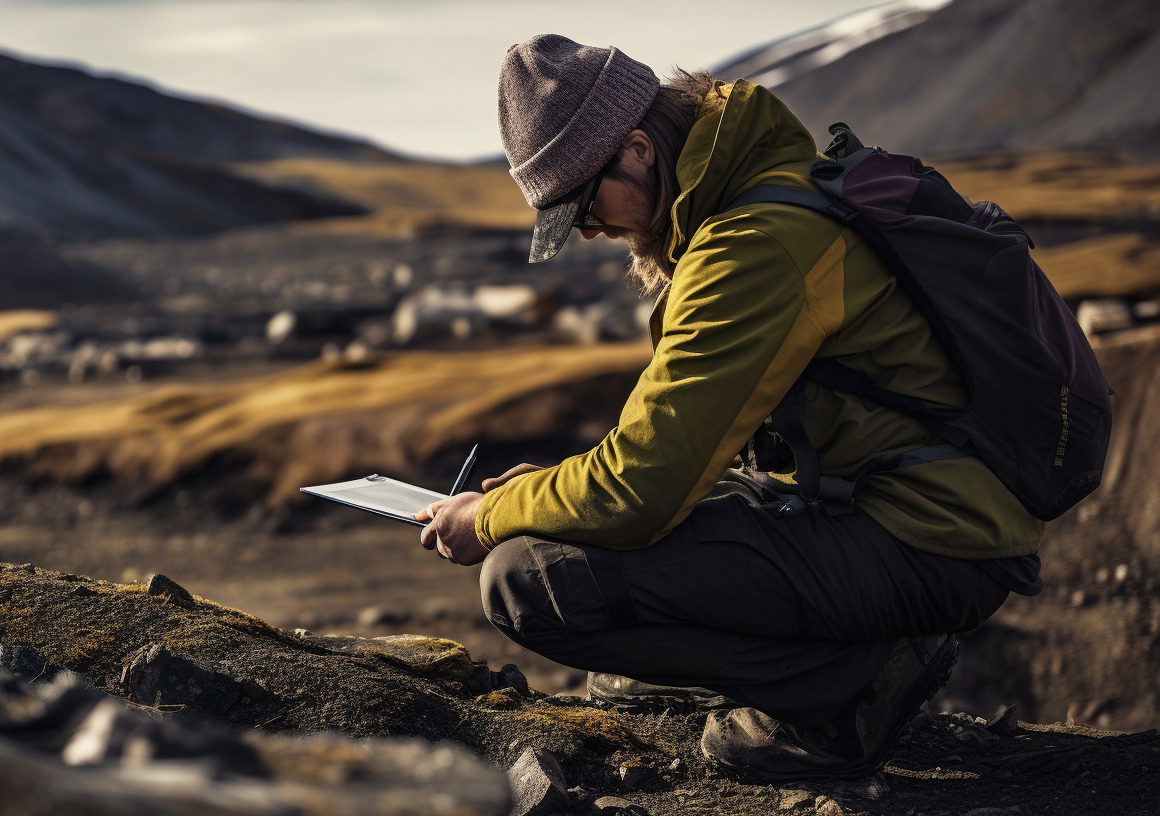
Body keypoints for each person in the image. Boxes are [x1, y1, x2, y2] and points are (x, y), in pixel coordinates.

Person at [414, 34, 1044, 783]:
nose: (588, 229)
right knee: (583, 531)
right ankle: (826, 660)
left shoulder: (752, 246)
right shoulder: (763, 195)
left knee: (526, 581)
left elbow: (639, 488)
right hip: (890, 509)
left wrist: (490, 518)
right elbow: (679, 458)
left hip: (931, 538)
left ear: (640, 149)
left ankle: (845, 690)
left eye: (583, 203)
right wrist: (543, 492)